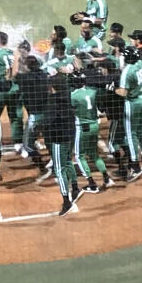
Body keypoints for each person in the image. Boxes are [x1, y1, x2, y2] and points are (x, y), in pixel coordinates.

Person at [44, 74, 81, 216]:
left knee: (59, 169)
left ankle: (66, 201)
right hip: (70, 135)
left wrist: (39, 128)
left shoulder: (53, 101)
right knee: (67, 161)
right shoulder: (67, 97)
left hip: (59, 138)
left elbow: (48, 120)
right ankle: (76, 188)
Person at [70, 71, 114, 191]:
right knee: (94, 154)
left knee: (79, 156)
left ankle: (91, 183)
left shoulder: (73, 96)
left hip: (82, 128)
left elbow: (71, 112)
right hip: (95, 126)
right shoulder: (92, 91)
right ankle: (107, 178)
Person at [12, 52, 52, 179]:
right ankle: (57, 164)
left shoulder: (25, 78)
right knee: (50, 140)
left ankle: (42, 167)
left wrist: (17, 59)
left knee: (28, 146)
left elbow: (13, 75)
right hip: (48, 114)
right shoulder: (45, 76)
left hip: (34, 117)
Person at [116, 46, 142, 182]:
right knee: (141, 130)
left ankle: (136, 166)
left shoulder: (127, 71)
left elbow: (123, 93)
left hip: (132, 103)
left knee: (131, 134)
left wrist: (113, 89)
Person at [0, 32, 24, 152]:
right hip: (15, 89)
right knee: (15, 116)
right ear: (7, 40)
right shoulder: (14, 54)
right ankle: (18, 142)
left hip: (1, 90)